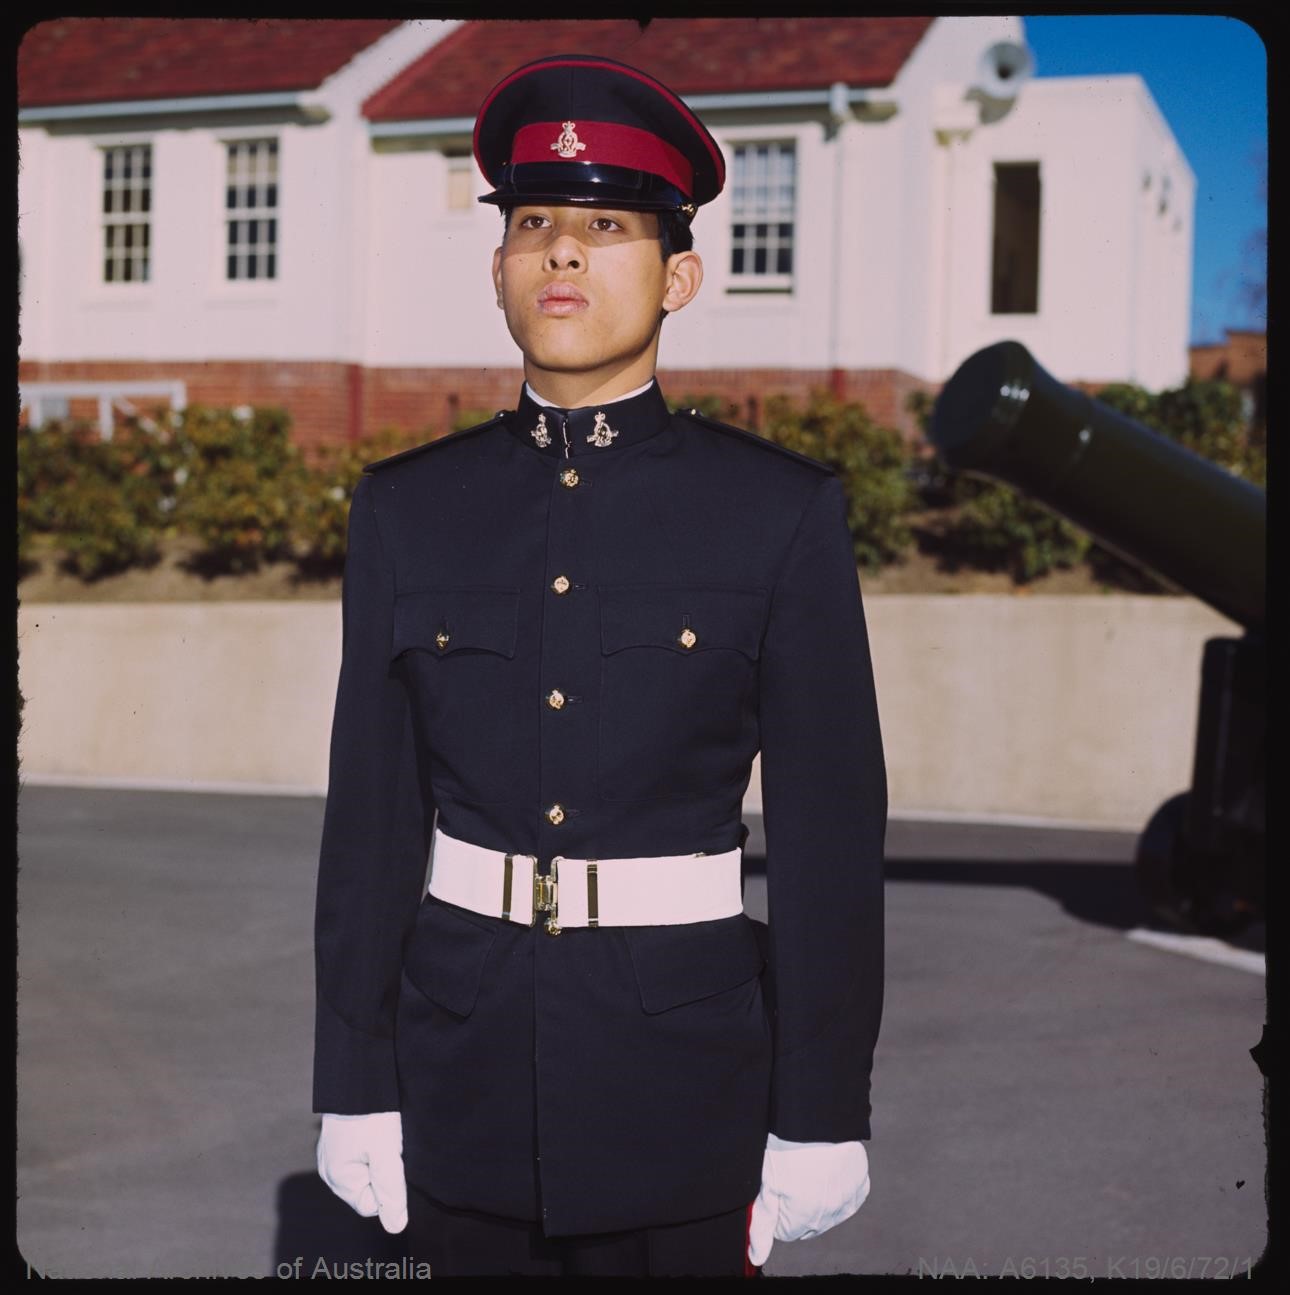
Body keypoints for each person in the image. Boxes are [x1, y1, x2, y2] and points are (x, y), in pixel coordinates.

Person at [312, 52, 886, 1278]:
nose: (561, 253)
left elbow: (834, 832)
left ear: (679, 273)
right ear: (500, 269)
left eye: (606, 226)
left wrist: (823, 1104)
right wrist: (352, 1077)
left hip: (685, 1087)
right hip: (455, 1070)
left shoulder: (777, 512)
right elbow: (370, 818)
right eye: (534, 226)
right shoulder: (408, 510)